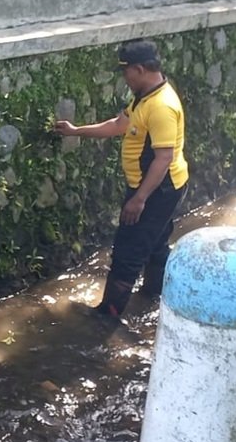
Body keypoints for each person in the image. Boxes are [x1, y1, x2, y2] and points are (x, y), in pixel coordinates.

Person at [54, 39, 189, 317]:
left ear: (139, 69)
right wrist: (76, 131)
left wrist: (139, 199)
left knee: (128, 252)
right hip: (159, 187)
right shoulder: (146, 96)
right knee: (156, 241)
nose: (125, 79)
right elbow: (118, 125)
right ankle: (156, 295)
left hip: (156, 190)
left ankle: (107, 316)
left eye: (126, 72)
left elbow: (163, 158)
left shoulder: (161, 106)